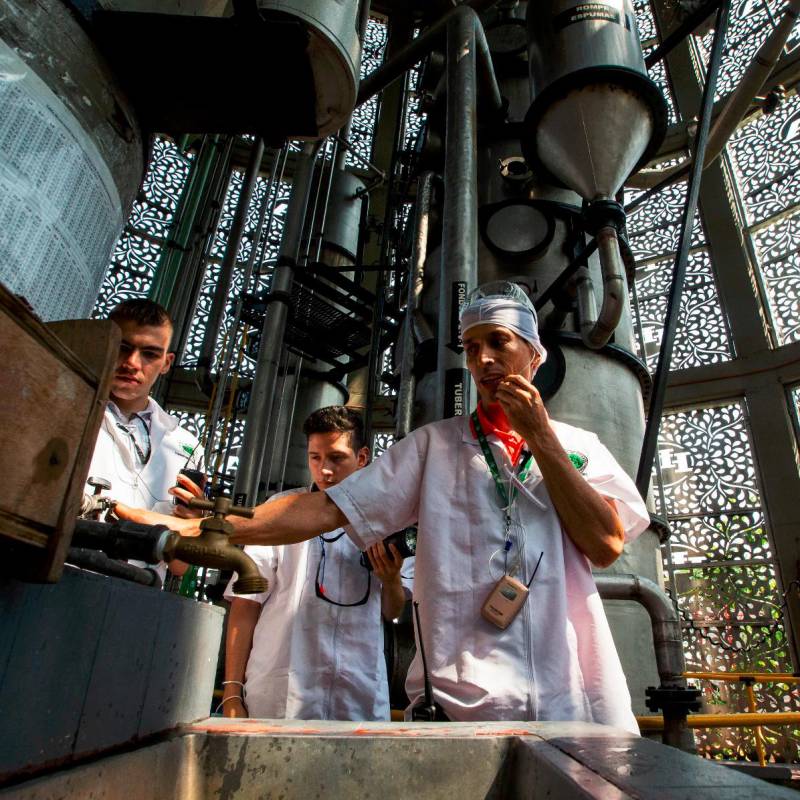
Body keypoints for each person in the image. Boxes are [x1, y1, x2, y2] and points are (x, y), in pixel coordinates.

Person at [118, 281, 648, 732]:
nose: (483, 359)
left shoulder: (581, 447)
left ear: (534, 354)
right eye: (470, 346)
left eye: (499, 342)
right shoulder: (434, 447)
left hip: (569, 693)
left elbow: (605, 544)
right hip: (463, 699)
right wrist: (207, 525)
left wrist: (541, 439)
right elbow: (326, 511)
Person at [216, 406, 411, 721]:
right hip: (283, 692)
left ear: (362, 458)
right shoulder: (279, 512)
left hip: (357, 694)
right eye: (315, 458)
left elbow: (392, 612)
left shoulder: (385, 522)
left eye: (336, 458)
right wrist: (232, 691)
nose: (325, 471)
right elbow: (245, 603)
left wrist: (390, 579)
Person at [86, 299, 203, 579]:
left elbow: (180, 567)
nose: (132, 363)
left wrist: (191, 524)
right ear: (104, 342)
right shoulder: (69, 408)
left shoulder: (187, 445)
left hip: (140, 591)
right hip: (66, 571)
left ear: (166, 362)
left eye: (150, 354)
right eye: (123, 347)